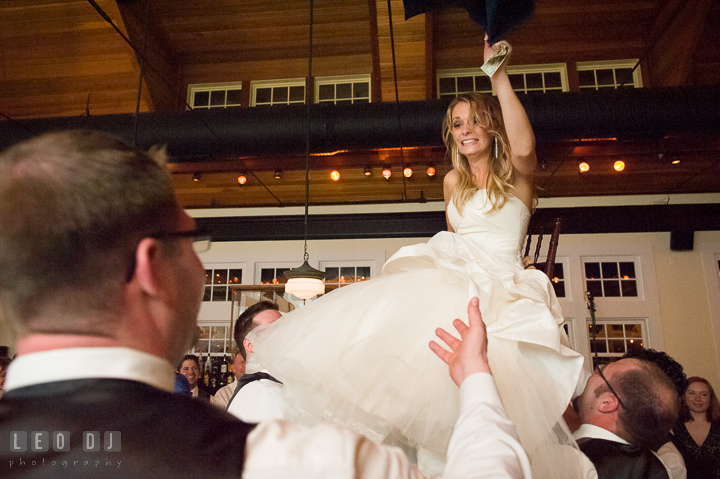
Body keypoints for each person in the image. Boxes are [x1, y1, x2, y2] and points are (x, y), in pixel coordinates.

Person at [0, 130, 532, 478]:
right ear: (149, 267)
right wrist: (477, 382)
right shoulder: (292, 463)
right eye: (192, 239)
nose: (201, 266)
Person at [250, 38, 585, 478]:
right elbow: (454, 240)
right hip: (451, 287)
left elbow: (523, 149)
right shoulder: (452, 183)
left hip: (503, 293)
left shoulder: (517, 180)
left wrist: (498, 75)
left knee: (495, 397)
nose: (465, 130)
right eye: (457, 124)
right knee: (418, 390)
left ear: (491, 128)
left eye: (474, 122)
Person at [572, 358, 680, 478]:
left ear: (606, 402)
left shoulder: (573, 460)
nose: (592, 373)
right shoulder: (659, 468)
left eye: (600, 371)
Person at [226, 301, 288, 421]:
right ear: (250, 344)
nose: (283, 333)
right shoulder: (269, 394)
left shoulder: (250, 390)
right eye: (273, 328)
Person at [672, 377, 720, 478]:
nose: (698, 399)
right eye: (692, 393)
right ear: (683, 397)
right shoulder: (672, 427)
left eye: (703, 394)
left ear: (710, 399)